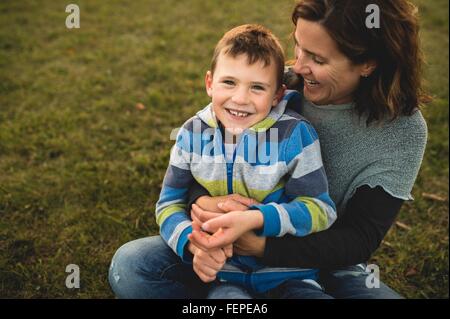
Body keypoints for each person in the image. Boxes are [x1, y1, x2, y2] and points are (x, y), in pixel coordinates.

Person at [109, 0, 429, 298]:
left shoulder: (402, 132)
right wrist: (207, 206)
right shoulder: (279, 87)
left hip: (327, 257)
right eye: (299, 47)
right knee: (132, 266)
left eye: (317, 59)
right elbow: (210, 161)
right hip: (228, 247)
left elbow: (358, 238)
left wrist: (259, 243)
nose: (299, 67)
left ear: (368, 64)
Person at [109, 23, 337, 298]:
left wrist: (255, 219)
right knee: (140, 268)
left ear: (277, 94)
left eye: (257, 88)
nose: (240, 99)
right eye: (229, 82)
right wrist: (196, 245)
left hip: (290, 274)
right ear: (209, 83)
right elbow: (170, 203)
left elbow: (319, 210)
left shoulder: (295, 135)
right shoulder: (191, 134)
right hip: (225, 277)